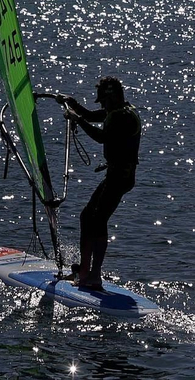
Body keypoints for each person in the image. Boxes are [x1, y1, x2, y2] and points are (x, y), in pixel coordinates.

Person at [63, 76, 141, 291]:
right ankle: (85, 270)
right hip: (114, 176)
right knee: (87, 216)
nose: (103, 106)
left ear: (114, 97)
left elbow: (101, 137)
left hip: (121, 178)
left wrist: (77, 120)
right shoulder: (114, 111)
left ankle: (95, 276)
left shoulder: (124, 117)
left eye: (104, 101)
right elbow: (90, 115)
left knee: (98, 221)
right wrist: (72, 102)